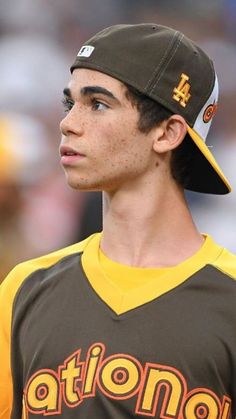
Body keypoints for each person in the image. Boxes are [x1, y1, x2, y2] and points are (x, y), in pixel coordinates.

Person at [0, 23, 236, 419]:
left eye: (98, 104)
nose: (68, 123)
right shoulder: (25, 289)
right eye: (69, 103)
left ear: (167, 132)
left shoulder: (229, 297)